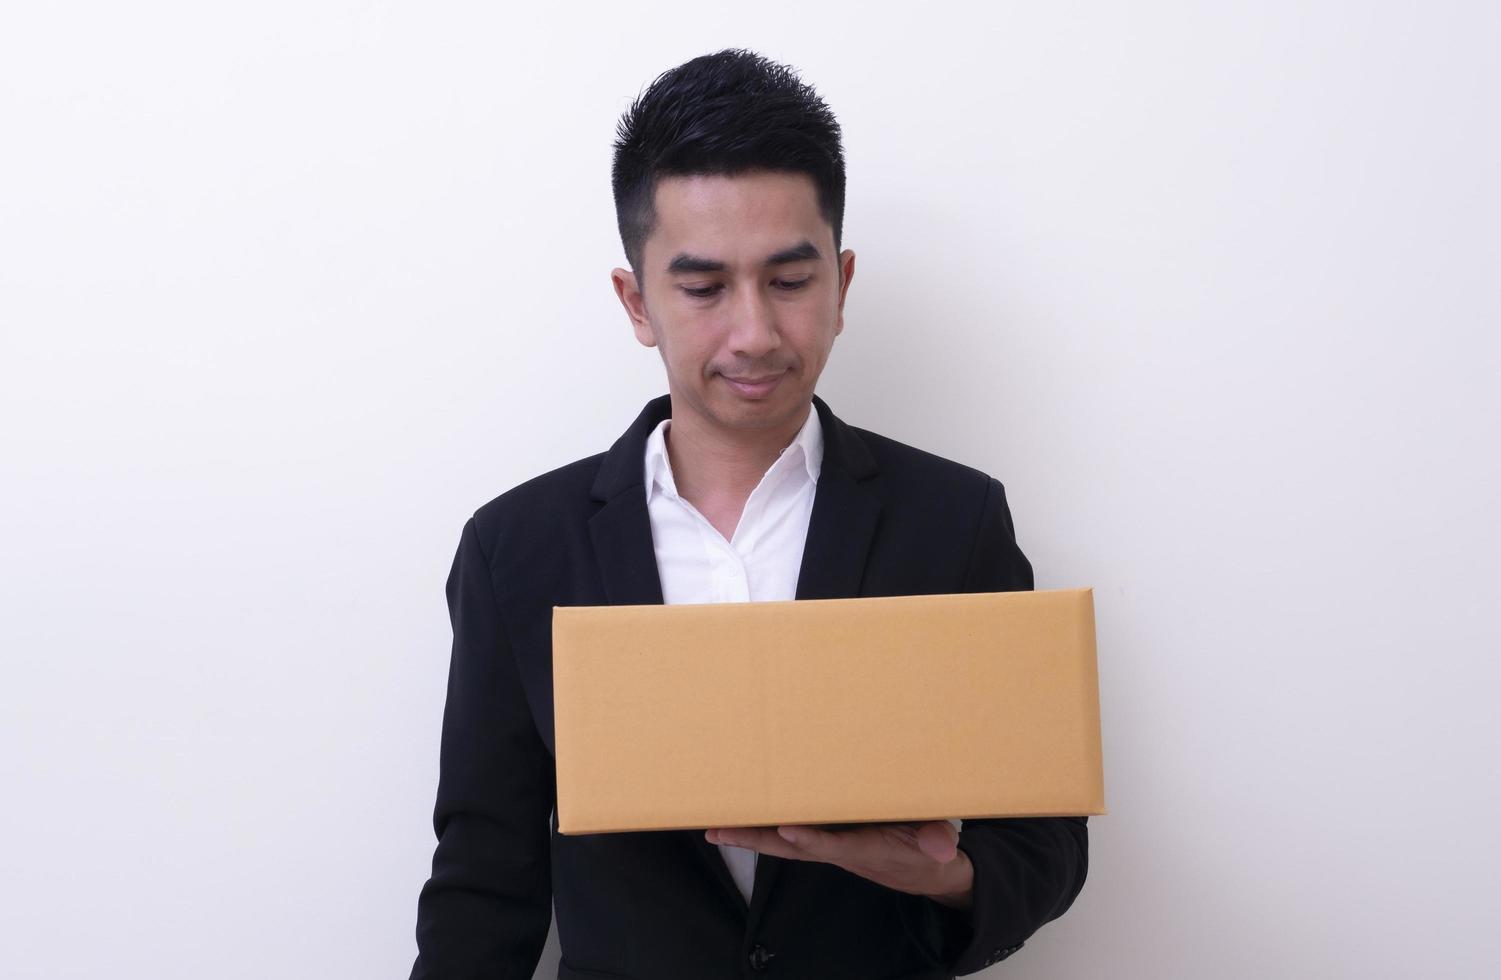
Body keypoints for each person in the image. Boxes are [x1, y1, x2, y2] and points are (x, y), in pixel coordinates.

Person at [409, 48, 1088, 980]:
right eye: (701, 287)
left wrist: (943, 873)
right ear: (636, 301)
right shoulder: (517, 548)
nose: (755, 333)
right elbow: (484, 885)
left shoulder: (955, 520)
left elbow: (1044, 845)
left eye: (789, 280)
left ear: (841, 283)